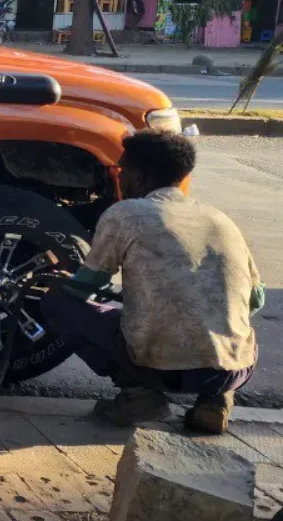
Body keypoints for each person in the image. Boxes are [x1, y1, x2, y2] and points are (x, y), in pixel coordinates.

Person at [39, 130, 262, 434]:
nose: (118, 178)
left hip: (158, 368)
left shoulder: (126, 212)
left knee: (57, 302)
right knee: (236, 328)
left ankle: (139, 396)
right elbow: (255, 300)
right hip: (232, 369)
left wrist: (60, 282)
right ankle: (214, 401)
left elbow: (83, 287)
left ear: (140, 177)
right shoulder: (220, 219)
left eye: (121, 170)